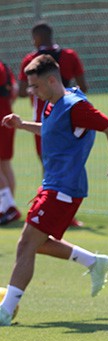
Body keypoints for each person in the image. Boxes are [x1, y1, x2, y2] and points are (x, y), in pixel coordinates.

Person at [0, 55, 108, 326]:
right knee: (38, 244)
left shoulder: (76, 106)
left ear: (52, 80)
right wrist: (22, 126)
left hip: (64, 189)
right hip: (53, 186)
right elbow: (51, 130)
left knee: (26, 245)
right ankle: (93, 261)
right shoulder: (51, 104)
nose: (32, 92)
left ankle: (5, 311)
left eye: (35, 87)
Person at [19, 21, 88, 228]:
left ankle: (49, 212)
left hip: (43, 118)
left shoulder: (31, 60)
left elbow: (22, 91)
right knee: (70, 162)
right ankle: (67, 215)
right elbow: (84, 86)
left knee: (48, 166)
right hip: (70, 116)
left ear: (36, 38)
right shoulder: (69, 55)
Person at [0, 60, 20, 225]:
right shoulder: (5, 66)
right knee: (5, 164)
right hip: (6, 115)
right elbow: (14, 91)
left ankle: (8, 208)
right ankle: (6, 207)